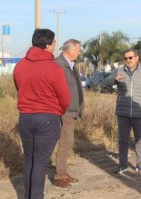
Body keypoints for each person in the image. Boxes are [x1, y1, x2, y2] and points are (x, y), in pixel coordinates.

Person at [13, 28, 71, 199]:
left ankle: (28, 196)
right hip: (47, 118)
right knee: (40, 162)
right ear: (47, 45)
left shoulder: (20, 65)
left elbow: (19, 88)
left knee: (29, 160)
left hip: (25, 117)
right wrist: (56, 112)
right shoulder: (53, 68)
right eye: (54, 42)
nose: (55, 46)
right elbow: (64, 97)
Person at [105, 49, 141, 174]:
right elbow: (106, 82)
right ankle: (122, 165)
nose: (128, 60)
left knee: (140, 139)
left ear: (137, 58)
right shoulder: (119, 71)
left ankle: (140, 164)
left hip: (140, 113)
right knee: (123, 139)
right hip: (123, 112)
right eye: (125, 58)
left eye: (130, 57)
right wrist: (115, 80)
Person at [53, 39, 84, 188]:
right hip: (64, 111)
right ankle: (59, 176)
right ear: (70, 50)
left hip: (72, 110)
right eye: (78, 49)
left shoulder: (70, 65)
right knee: (65, 142)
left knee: (68, 141)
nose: (80, 52)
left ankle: (63, 172)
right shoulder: (58, 64)